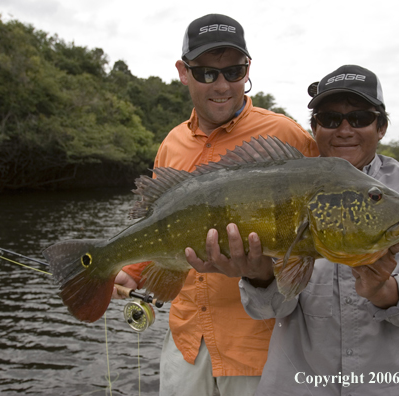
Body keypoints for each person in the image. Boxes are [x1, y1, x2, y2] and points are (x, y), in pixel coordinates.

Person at [189, 64, 399, 395]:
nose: (345, 129)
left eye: (359, 118)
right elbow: (267, 310)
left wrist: (385, 291)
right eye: (330, 119)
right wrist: (259, 276)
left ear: (382, 126)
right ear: (314, 128)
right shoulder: (287, 180)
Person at [114, 14, 318, 396]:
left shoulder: (286, 135)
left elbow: (317, 219)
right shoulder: (171, 143)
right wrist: (135, 269)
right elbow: (161, 222)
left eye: (234, 71)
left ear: (247, 70)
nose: (222, 85)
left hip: (256, 346)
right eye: (208, 73)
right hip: (187, 340)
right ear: (183, 72)